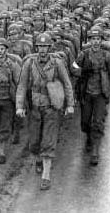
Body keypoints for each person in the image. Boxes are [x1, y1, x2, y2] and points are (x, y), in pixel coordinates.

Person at [16, 33, 75, 190]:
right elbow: (22, 86)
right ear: (37, 47)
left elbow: (67, 84)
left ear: (49, 48)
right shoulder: (29, 63)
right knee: (34, 141)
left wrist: (70, 104)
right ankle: (38, 159)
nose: (42, 50)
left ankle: (46, 175)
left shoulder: (57, 63)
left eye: (45, 47)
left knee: (48, 140)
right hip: (35, 107)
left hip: (51, 107)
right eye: (40, 46)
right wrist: (19, 106)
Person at [74, 28, 110, 166]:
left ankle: (95, 151)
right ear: (89, 41)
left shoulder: (107, 56)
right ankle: (88, 136)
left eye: (98, 39)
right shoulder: (83, 54)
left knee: (98, 122)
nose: (95, 42)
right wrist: (82, 71)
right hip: (86, 93)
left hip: (101, 93)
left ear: (101, 41)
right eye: (93, 39)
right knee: (85, 122)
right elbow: (72, 68)